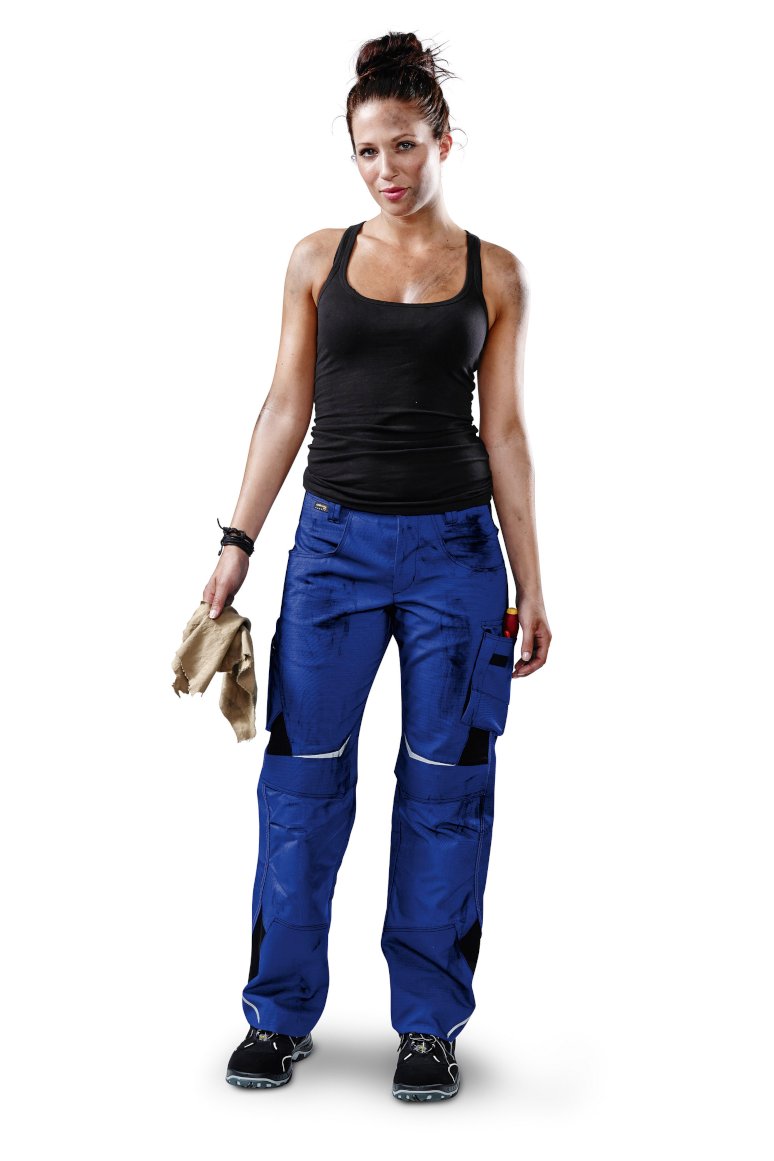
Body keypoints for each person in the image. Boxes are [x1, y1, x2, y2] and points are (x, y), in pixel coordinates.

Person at [202, 30, 551, 1102]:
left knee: (449, 788)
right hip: (333, 551)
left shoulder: (496, 273)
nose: (386, 169)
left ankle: (429, 1026)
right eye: (367, 150)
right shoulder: (318, 259)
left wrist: (532, 582)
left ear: (444, 141)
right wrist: (235, 545)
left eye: (404, 145)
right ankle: (277, 1016)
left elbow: (506, 433)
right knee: (300, 783)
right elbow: (284, 406)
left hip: (456, 556)